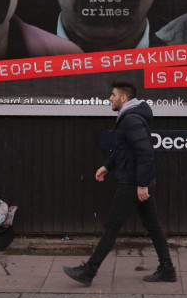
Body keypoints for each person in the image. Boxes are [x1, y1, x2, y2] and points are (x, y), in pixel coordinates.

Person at [63, 81, 176, 286]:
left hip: (133, 184)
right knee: (153, 226)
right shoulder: (129, 118)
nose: (110, 98)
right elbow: (125, 150)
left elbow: (145, 152)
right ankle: (167, 269)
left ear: (123, 98)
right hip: (138, 182)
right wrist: (107, 166)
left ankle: (89, 271)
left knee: (112, 227)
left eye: (113, 95)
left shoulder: (131, 119)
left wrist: (141, 185)